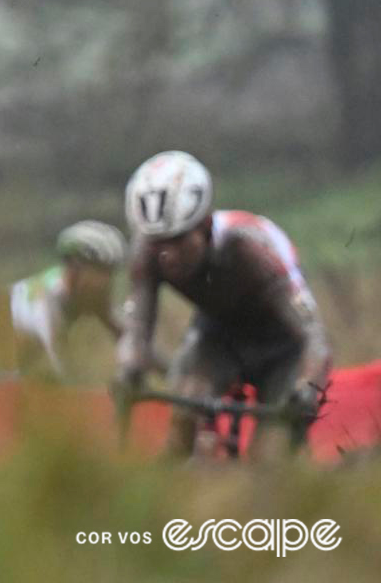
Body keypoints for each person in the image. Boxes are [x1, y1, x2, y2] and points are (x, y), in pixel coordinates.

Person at [116, 150, 333, 459]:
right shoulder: (146, 252)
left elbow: (315, 337)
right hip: (219, 333)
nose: (168, 254)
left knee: (270, 457)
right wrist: (128, 367)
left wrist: (306, 389)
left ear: (204, 225)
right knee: (184, 409)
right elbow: (137, 327)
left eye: (178, 239)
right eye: (158, 242)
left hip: (284, 344)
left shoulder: (250, 250)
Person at [0, 221, 126, 388]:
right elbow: (54, 361)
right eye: (99, 272)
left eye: (110, 273)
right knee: (41, 366)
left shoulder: (87, 294)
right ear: (74, 269)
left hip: (10, 368)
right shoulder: (46, 298)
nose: (105, 282)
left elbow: (125, 333)